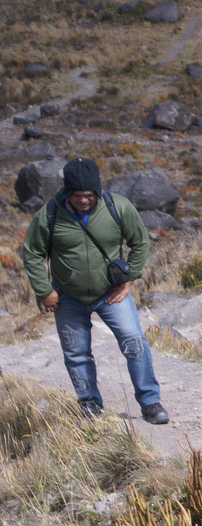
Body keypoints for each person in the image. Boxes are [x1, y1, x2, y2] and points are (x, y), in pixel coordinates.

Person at [21, 157, 168, 423]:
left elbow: (140, 242)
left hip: (111, 294)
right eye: (78, 195)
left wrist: (128, 280)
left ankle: (150, 402)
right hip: (67, 297)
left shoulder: (117, 207)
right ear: (67, 191)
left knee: (134, 342)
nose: (84, 200)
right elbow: (32, 253)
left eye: (89, 195)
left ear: (97, 190)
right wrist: (44, 290)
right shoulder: (49, 214)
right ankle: (90, 406)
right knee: (76, 354)